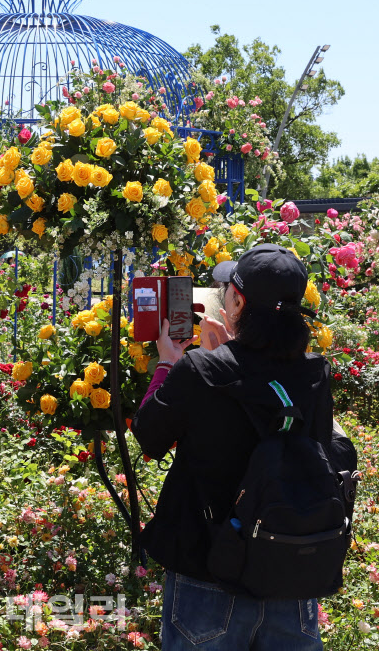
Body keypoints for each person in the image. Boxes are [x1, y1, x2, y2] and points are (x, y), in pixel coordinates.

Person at [132, 244, 357, 651]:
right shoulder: (314, 373)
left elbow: (150, 436)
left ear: (236, 302)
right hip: (291, 570)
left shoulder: (203, 369)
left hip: (208, 572)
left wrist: (168, 362)